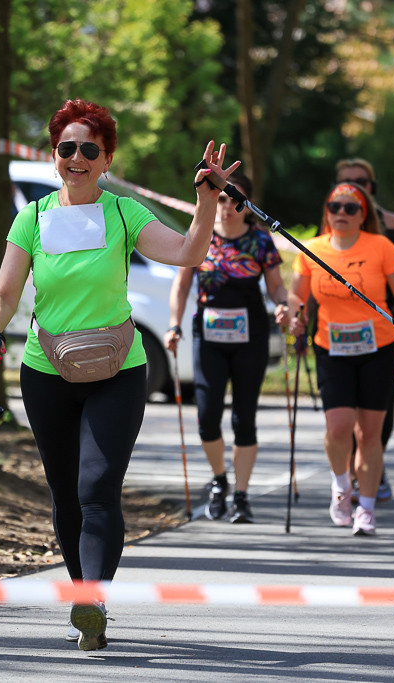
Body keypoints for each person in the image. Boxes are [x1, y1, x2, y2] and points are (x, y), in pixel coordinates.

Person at [0, 99, 239, 651]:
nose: (77, 157)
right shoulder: (32, 217)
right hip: (46, 370)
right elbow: (4, 291)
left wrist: (205, 202)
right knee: (65, 495)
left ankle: (92, 598)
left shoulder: (122, 213)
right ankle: (84, 598)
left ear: (107, 159)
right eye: (66, 147)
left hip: (119, 370)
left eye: (89, 149)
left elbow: (188, 252)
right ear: (54, 155)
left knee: (96, 488)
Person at [288, 182, 394, 536]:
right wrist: (294, 316)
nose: (341, 213)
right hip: (331, 348)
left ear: (364, 215)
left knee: (369, 433)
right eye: (335, 207)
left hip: (379, 348)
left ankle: (367, 508)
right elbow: (296, 296)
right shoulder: (311, 249)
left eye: (351, 208)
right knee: (338, 427)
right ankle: (341, 486)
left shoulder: (382, 246)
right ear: (326, 213)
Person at [163, 172, 286, 524]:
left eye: (236, 200)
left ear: (248, 205)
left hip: (251, 337)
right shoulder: (200, 236)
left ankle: (242, 496)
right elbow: (181, 286)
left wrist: (283, 305)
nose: (228, 207)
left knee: (244, 418)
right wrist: (174, 324)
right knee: (207, 416)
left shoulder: (260, 241)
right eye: (221, 199)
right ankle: (220, 481)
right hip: (209, 338)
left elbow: (276, 287)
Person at [334, 159, 394, 503]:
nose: (355, 187)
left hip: (385, 328)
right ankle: (351, 474)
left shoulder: (392, 225)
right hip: (338, 327)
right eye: (346, 182)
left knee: (378, 406)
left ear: (373, 187)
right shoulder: (330, 221)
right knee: (343, 410)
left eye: (362, 181)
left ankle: (373, 465)